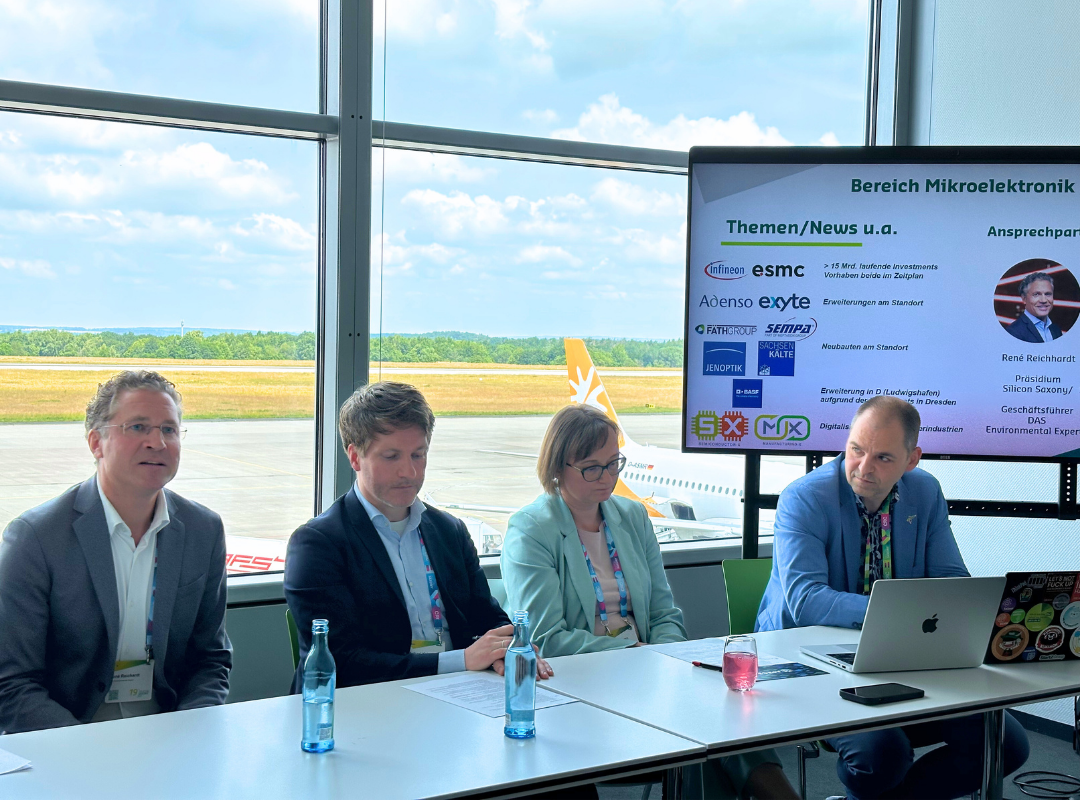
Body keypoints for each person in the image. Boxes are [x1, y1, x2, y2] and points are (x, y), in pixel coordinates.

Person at [503, 403, 799, 800]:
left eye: (614, 463)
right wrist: (635, 653)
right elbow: (546, 638)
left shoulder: (632, 516)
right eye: (592, 468)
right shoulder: (531, 529)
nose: (608, 477)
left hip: (649, 674)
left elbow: (664, 612)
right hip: (582, 685)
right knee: (706, 731)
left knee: (727, 721)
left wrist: (668, 657)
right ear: (557, 467)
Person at [756, 396, 1030, 799]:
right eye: (856, 450)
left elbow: (951, 580)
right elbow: (806, 601)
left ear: (911, 459)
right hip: (807, 664)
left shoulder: (925, 492)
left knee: (1005, 743)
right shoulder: (806, 497)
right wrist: (896, 613)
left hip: (899, 658)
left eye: (883, 457)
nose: (863, 468)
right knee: (882, 755)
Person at [0, 371, 232, 734]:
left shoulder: (203, 530)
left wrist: (187, 734)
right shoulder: (36, 538)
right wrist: (88, 750)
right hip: (68, 740)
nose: (157, 442)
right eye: (138, 427)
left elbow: (211, 661)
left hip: (169, 735)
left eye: (169, 429)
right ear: (97, 443)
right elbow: (12, 683)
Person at [285, 381, 552, 690]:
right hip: (367, 704)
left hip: (459, 693)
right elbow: (341, 663)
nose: (409, 472)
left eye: (418, 455)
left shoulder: (450, 532)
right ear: (355, 457)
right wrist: (460, 661)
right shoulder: (318, 544)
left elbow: (488, 618)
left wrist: (510, 648)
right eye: (391, 457)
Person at [1007, 272, 1063, 342]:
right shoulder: (1013, 332)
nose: (1043, 300)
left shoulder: (1056, 330)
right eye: (1036, 294)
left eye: (1048, 294)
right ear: (1024, 299)